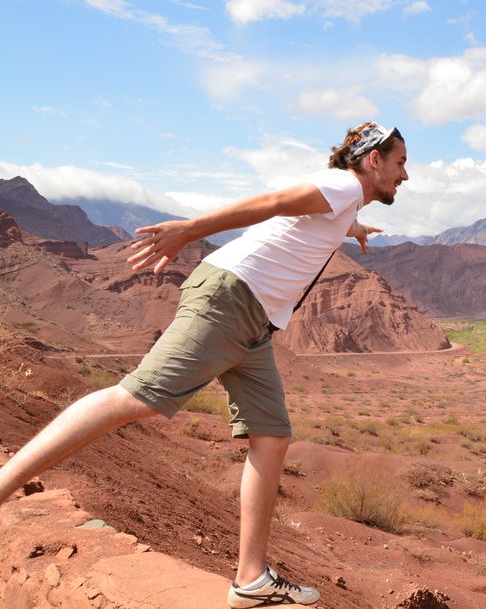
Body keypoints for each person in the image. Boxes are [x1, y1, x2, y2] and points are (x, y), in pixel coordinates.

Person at [0, 122, 409, 607]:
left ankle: (251, 580)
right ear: (373, 160)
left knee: (272, 436)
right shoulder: (343, 184)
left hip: (254, 322)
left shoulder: (344, 202)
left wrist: (357, 230)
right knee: (135, 398)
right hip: (231, 299)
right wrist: (192, 228)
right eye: (400, 163)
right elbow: (277, 200)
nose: (405, 175)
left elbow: (320, 218)